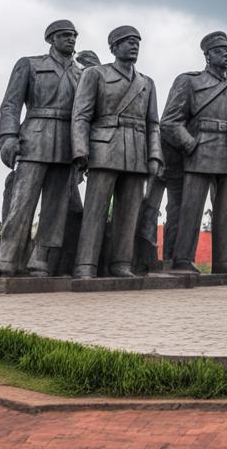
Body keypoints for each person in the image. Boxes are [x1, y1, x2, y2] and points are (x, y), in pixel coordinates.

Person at [162, 32, 227, 273]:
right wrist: (189, 144)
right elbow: (170, 121)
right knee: (190, 209)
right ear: (207, 55)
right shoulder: (190, 82)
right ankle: (183, 259)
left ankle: (223, 260)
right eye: (220, 50)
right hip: (201, 150)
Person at [0, 20, 87, 276]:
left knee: (55, 209)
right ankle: (7, 258)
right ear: (51, 39)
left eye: (74, 36)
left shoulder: (82, 73)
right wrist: (8, 136)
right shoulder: (30, 64)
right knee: (22, 203)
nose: (71, 39)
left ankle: (40, 259)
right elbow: (10, 104)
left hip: (67, 143)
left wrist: (83, 149)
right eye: (65, 35)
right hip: (34, 137)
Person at [71, 26, 162, 278]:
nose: (134, 46)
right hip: (104, 146)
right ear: (113, 47)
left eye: (137, 43)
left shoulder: (147, 82)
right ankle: (85, 265)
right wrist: (80, 150)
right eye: (128, 42)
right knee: (95, 211)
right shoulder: (96, 74)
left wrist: (154, 155)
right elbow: (81, 115)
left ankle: (121, 263)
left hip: (136, 151)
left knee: (129, 212)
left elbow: (154, 123)